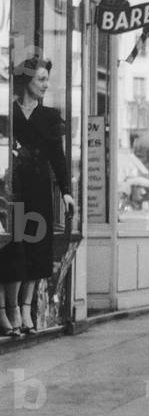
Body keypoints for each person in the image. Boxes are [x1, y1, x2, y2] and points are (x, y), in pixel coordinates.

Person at [0, 58, 75, 337]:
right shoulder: (8, 113)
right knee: (13, 247)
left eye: (47, 79)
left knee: (36, 248)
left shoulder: (50, 117)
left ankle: (26, 308)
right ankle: (10, 310)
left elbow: (58, 157)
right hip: (12, 188)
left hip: (39, 188)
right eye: (41, 79)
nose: (46, 85)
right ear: (26, 80)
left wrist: (66, 191)